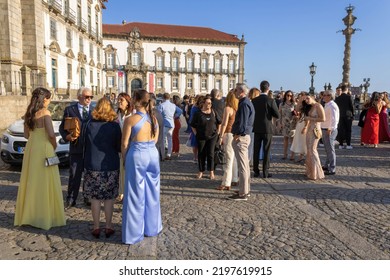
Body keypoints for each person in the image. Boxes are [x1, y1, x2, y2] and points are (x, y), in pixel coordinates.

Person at [14, 87, 66, 230]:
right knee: (47, 180)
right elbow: (50, 134)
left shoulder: (29, 113)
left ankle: (30, 215)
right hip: (45, 149)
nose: (49, 101)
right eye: (49, 98)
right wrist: (54, 146)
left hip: (32, 149)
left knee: (32, 181)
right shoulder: (45, 113)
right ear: (44, 99)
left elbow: (26, 135)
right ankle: (47, 216)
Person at [121, 89, 162, 245]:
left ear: (136, 100)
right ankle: (152, 227)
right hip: (152, 154)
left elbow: (124, 143)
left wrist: (125, 159)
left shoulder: (130, 120)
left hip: (137, 154)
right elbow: (156, 139)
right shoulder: (154, 119)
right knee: (152, 192)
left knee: (134, 194)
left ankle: (133, 233)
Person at [84, 98, 121, 238]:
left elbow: (84, 144)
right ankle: (109, 226)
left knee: (95, 198)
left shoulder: (88, 125)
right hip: (110, 164)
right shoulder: (114, 126)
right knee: (109, 198)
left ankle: (96, 226)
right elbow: (118, 147)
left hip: (92, 164)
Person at [59, 87, 93, 208]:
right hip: (76, 147)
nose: (89, 99)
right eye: (86, 97)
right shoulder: (70, 110)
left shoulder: (94, 111)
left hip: (90, 149)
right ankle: (71, 198)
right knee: (74, 174)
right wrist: (67, 136)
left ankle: (88, 196)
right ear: (79, 97)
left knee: (89, 174)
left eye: (91, 97)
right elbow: (62, 128)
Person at [228, 83, 254, 200]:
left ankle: (243, 193)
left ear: (242, 92)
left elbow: (242, 123)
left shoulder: (244, 104)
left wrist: (237, 135)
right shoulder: (247, 102)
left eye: (236, 91)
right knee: (244, 166)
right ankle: (244, 191)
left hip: (242, 137)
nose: (235, 93)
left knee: (243, 167)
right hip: (244, 136)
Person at [252, 80, 280, 178]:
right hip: (267, 128)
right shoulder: (270, 100)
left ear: (260, 88)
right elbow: (277, 114)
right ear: (268, 88)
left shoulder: (254, 100)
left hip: (257, 128)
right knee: (266, 150)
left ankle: (256, 171)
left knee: (256, 150)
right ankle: (265, 172)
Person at [190, 95, 221, 179]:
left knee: (211, 154)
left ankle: (211, 171)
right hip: (201, 136)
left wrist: (218, 132)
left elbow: (219, 122)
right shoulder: (198, 113)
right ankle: (201, 171)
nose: (209, 105)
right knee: (201, 154)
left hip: (212, 136)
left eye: (210, 103)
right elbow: (192, 125)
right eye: (207, 103)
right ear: (203, 103)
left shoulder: (213, 112)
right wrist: (196, 133)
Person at [216, 89, 239, 191]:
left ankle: (226, 182)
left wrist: (220, 136)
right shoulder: (237, 108)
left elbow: (224, 124)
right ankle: (234, 178)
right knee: (234, 159)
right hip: (236, 135)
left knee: (228, 159)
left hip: (228, 134)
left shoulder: (228, 108)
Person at [303, 94, 325, 180]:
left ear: (313, 98)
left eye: (308, 98)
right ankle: (310, 171)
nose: (306, 100)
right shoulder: (310, 107)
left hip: (315, 130)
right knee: (308, 150)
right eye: (305, 99)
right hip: (309, 130)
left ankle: (316, 173)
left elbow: (323, 119)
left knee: (313, 150)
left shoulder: (318, 106)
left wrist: (310, 118)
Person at [116, 93, 133, 203]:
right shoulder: (116, 114)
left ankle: (128, 194)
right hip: (118, 147)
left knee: (128, 171)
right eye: (118, 100)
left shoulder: (132, 116)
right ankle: (121, 192)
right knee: (120, 171)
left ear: (127, 102)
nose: (119, 102)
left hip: (129, 147)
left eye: (121, 100)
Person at [321, 90, 340, 175]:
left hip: (329, 130)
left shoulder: (332, 105)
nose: (323, 97)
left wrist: (330, 129)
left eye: (324, 95)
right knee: (328, 149)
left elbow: (334, 119)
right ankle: (326, 165)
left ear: (329, 96)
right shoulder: (328, 104)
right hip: (325, 128)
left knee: (330, 150)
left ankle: (332, 168)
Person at [290, 93, 309, 163]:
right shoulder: (301, 105)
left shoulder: (309, 105)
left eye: (302, 97)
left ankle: (307, 157)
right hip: (300, 123)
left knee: (305, 141)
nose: (301, 98)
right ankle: (301, 156)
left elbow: (308, 118)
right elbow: (297, 109)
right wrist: (299, 101)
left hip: (305, 124)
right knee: (300, 140)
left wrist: (306, 127)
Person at [158, 92, 177, 160]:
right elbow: (179, 111)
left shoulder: (161, 105)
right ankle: (169, 154)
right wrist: (175, 116)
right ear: (169, 98)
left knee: (162, 140)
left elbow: (159, 115)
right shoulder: (173, 105)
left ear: (163, 98)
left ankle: (163, 155)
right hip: (171, 123)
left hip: (164, 123)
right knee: (170, 139)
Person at [335, 84, 354, 149]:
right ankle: (348, 144)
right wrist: (353, 114)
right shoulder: (348, 97)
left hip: (340, 115)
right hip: (348, 115)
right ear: (346, 89)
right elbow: (351, 107)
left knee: (341, 129)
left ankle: (341, 144)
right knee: (348, 130)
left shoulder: (337, 98)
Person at [278, 90, 296, 160]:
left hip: (292, 123)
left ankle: (292, 155)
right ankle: (284, 154)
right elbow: (280, 114)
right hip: (284, 123)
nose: (289, 97)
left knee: (292, 140)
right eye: (288, 95)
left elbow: (297, 113)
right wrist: (279, 122)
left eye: (290, 95)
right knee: (285, 139)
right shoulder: (281, 104)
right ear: (285, 95)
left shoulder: (294, 104)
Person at [248, 87, 260, 166]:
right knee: (251, 144)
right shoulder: (253, 102)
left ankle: (250, 160)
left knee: (251, 144)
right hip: (252, 125)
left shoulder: (249, 102)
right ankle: (250, 160)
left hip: (251, 125)